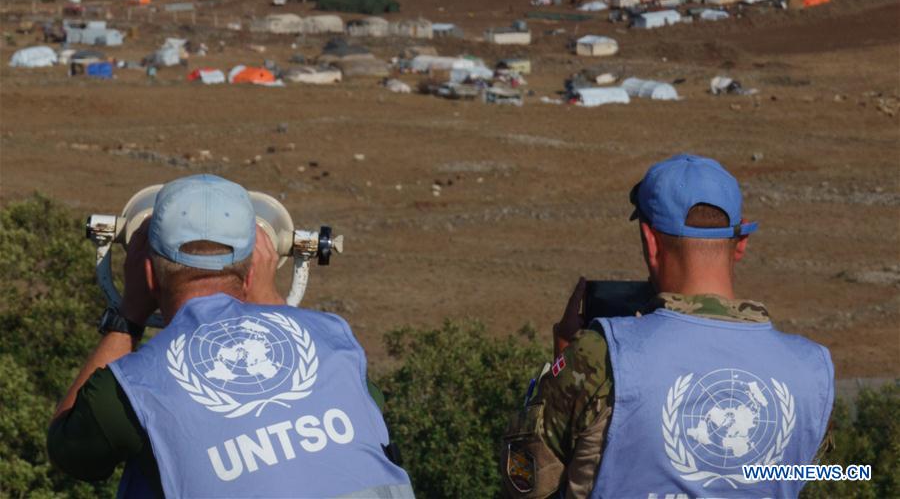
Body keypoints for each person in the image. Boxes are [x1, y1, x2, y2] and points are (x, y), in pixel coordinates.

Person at [49, 174, 414, 498]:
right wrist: (273, 305)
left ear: (148, 274)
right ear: (253, 272)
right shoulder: (334, 339)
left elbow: (71, 451)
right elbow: (367, 413)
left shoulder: (135, 387)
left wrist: (127, 316)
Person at [501, 154, 834, 498]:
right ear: (742, 243)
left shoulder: (601, 356)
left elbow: (528, 485)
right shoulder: (812, 370)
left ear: (650, 241)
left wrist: (565, 353)